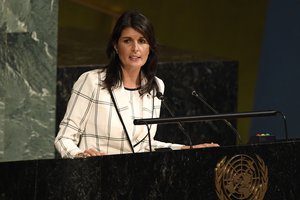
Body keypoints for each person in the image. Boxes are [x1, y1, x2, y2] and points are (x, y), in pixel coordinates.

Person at [55, 10, 219, 158]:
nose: (135, 48)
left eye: (142, 41)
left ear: (150, 47)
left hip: (135, 183)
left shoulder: (156, 86)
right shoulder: (92, 82)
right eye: (127, 41)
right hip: (97, 178)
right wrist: (79, 156)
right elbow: (64, 138)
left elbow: (143, 146)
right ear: (115, 46)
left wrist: (186, 149)